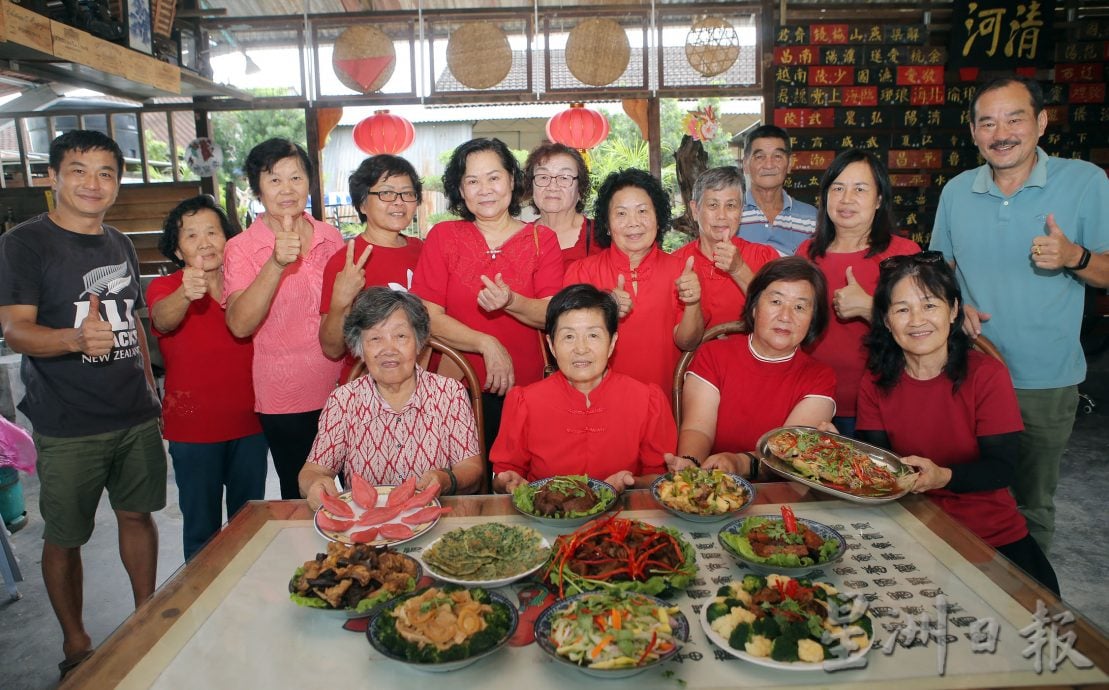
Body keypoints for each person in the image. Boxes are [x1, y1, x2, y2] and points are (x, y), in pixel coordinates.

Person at [0, 130, 165, 677]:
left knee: (137, 516)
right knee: (66, 535)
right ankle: (76, 644)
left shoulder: (117, 242)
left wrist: (151, 388)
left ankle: (145, 619)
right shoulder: (27, 243)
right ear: (53, 176)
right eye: (78, 170)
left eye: (105, 173)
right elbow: (15, 330)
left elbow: (135, 323)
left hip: (134, 414)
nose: (92, 184)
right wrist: (73, 339)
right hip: (68, 422)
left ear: (117, 182)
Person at [929, 76, 1109, 552]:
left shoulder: (1085, 181)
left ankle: (1026, 603)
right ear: (972, 132)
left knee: (1029, 505)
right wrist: (955, 305)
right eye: (988, 122)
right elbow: (939, 270)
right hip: (965, 374)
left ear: (1042, 123)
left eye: (1015, 119)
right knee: (959, 493)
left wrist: (1076, 257)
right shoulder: (957, 191)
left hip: (1043, 380)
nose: (1001, 132)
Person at [857, 253, 1059, 594]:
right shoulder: (875, 382)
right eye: (902, 309)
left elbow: (1002, 468)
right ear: (887, 321)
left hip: (989, 535)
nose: (917, 320)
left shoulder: (987, 376)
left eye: (929, 306)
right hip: (911, 530)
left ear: (953, 311)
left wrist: (942, 477)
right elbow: (879, 465)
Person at [411, 138, 564, 449]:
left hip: (527, 389)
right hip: (454, 389)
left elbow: (553, 315)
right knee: (464, 486)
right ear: (460, 189)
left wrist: (510, 301)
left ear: (511, 179)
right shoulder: (443, 237)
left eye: (494, 177)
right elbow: (426, 316)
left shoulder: (542, 239)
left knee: (519, 485)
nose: (485, 189)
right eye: (472, 180)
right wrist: (485, 343)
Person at [146, 195, 268, 560]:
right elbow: (163, 319)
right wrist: (186, 292)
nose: (204, 242)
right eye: (191, 235)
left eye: (212, 232)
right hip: (194, 430)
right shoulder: (165, 288)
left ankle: (247, 605)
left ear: (227, 238)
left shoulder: (244, 286)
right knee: (202, 531)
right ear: (178, 249)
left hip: (250, 425)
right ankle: (202, 607)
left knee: (250, 524)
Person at [223, 138, 344, 499]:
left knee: (358, 490)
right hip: (285, 398)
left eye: (296, 177)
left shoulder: (330, 236)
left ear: (309, 182)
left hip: (344, 388)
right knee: (304, 497)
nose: (287, 189)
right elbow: (240, 324)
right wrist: (275, 264)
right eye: (274, 180)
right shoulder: (242, 247)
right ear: (257, 188)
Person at [299, 288, 483, 509]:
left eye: (401, 336)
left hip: (435, 517)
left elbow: (471, 468)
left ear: (419, 342)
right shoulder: (344, 400)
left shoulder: (449, 393)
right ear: (360, 348)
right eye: (375, 338)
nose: (389, 349)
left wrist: (446, 479)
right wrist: (315, 484)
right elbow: (313, 471)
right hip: (366, 526)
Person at [490, 284, 674, 494]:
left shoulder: (647, 399)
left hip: (622, 518)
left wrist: (631, 483)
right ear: (551, 345)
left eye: (593, 335)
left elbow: (659, 478)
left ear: (612, 342)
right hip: (545, 519)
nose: (581, 349)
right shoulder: (524, 401)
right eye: (569, 336)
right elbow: (504, 474)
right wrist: (506, 482)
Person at [665, 257, 835, 479]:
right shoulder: (713, 355)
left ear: (813, 320)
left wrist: (739, 462)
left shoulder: (820, 378)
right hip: (708, 483)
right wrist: (691, 464)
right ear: (754, 307)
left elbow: (787, 455)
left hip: (779, 492)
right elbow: (698, 429)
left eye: (800, 307)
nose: (785, 316)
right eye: (776, 302)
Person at [798, 149, 920, 437]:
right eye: (837, 188)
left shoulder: (904, 254)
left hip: (883, 403)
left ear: (879, 199)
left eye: (860, 189)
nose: (846, 198)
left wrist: (869, 308)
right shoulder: (806, 253)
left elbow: (926, 329)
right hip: (813, 400)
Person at [564, 168, 704, 397]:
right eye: (621, 214)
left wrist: (693, 302)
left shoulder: (681, 270)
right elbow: (569, 343)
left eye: (642, 211)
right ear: (607, 225)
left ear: (658, 218)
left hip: (662, 401)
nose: (633, 223)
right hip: (597, 402)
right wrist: (605, 307)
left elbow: (688, 342)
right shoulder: (581, 272)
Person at [319, 154, 423, 383]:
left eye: (407, 193)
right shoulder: (346, 262)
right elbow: (332, 349)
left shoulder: (424, 251)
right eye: (386, 193)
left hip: (425, 386)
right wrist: (340, 302)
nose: (398, 202)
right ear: (363, 203)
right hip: (369, 392)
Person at [671, 166, 779, 328]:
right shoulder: (675, 263)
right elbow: (679, 338)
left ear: (741, 211)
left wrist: (739, 269)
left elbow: (779, 317)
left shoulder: (764, 257)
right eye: (713, 205)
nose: (721, 216)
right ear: (695, 210)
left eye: (731, 206)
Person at [737, 124, 818, 256]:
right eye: (760, 157)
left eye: (777, 156)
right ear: (745, 164)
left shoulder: (811, 219)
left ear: (790, 163)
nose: (769, 165)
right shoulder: (731, 213)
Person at [522, 141, 595, 265]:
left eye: (564, 177)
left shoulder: (602, 237)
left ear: (580, 189)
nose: (552, 186)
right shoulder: (519, 238)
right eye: (543, 177)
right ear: (531, 186)